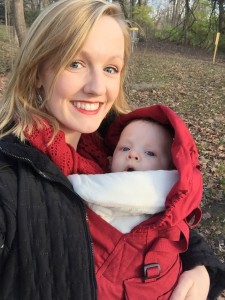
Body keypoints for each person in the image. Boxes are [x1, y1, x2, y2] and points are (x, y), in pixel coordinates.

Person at [0, 0, 223, 299]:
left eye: (110, 68)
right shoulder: (10, 175)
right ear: (38, 70)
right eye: (75, 63)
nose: (96, 87)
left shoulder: (117, 147)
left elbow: (161, 218)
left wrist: (202, 267)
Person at [68, 104, 203, 299]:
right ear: (109, 159)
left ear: (169, 169)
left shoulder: (92, 187)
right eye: (124, 148)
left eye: (150, 153)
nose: (133, 154)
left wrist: (202, 266)